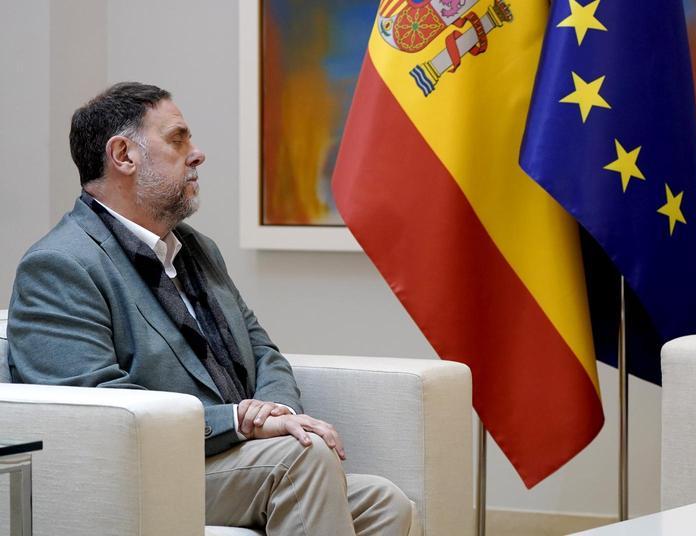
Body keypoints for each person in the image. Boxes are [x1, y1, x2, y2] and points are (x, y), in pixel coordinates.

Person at [7, 82, 412, 535]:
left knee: (385, 503)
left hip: (227, 458)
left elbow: (262, 349)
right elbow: (95, 410)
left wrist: (275, 409)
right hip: (145, 473)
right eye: (178, 139)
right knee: (303, 457)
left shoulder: (196, 249)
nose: (197, 154)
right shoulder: (61, 264)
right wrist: (237, 421)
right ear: (123, 155)